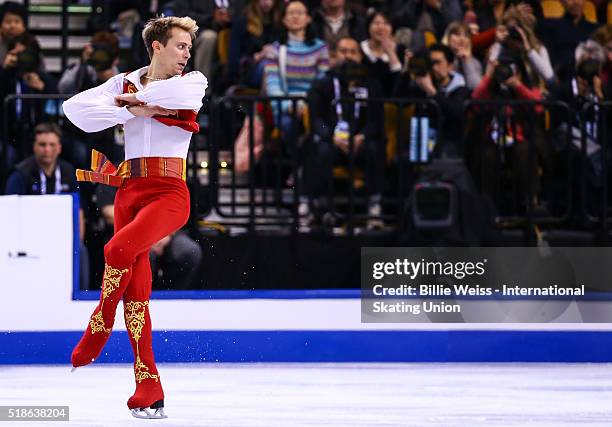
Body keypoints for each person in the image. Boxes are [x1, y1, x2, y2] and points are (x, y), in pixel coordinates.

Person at [62, 16, 207, 419]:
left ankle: (99, 322)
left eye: (189, 48)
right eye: (180, 46)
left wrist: (129, 107)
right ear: (157, 45)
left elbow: (183, 99)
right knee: (137, 293)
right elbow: (74, 109)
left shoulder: (194, 80)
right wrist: (128, 106)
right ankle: (148, 386)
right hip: (129, 193)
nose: (186, 55)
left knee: (116, 247)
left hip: (168, 192)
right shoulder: (124, 83)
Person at [305, 36, 385, 228]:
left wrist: (362, 135)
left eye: (353, 52)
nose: (348, 56)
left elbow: (376, 119)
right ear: (333, 56)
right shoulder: (323, 84)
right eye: (343, 51)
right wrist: (331, 136)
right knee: (320, 150)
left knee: (375, 149)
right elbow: (316, 118)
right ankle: (320, 208)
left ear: (360, 56)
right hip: (332, 140)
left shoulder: (371, 84)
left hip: (360, 140)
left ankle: (374, 206)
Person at [4, 122, 89, 290]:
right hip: (30, 234)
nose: (47, 150)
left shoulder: (68, 172)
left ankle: (81, 294)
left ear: (59, 148)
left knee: (81, 250)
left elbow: (78, 210)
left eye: (52, 145)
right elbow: (9, 212)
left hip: (62, 233)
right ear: (34, 147)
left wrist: (76, 239)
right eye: (42, 145)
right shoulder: (21, 173)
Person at [96, 184, 203, 290]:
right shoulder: (113, 175)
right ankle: (140, 297)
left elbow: (176, 208)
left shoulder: (163, 172)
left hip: (164, 232)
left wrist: (166, 233)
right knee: (144, 256)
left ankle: (171, 296)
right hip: (127, 235)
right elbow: (110, 213)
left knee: (189, 251)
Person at [263, 0, 329, 147]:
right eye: (291, 13)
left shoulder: (320, 48)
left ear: (308, 18)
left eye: (299, 13)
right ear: (284, 20)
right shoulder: (275, 50)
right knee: (289, 126)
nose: (295, 17)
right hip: (286, 107)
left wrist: (308, 104)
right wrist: (290, 106)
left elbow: (323, 82)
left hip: (313, 106)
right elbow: (273, 86)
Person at [227, 0, 284, 88]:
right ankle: (271, 100)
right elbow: (234, 61)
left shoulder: (278, 22)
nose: (267, 2)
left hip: (277, 65)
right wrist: (259, 56)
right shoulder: (242, 22)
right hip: (249, 71)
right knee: (267, 66)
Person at [360, 11, 403, 96]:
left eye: (386, 23)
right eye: (376, 23)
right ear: (368, 26)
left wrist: (391, 53)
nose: (381, 27)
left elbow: (400, 85)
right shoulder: (359, 49)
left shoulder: (401, 50)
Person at [442, 21, 483, 90]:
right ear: (448, 38)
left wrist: (467, 61)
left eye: (466, 36)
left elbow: (477, 88)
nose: (462, 39)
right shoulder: (440, 59)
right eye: (457, 34)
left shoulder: (475, 62)